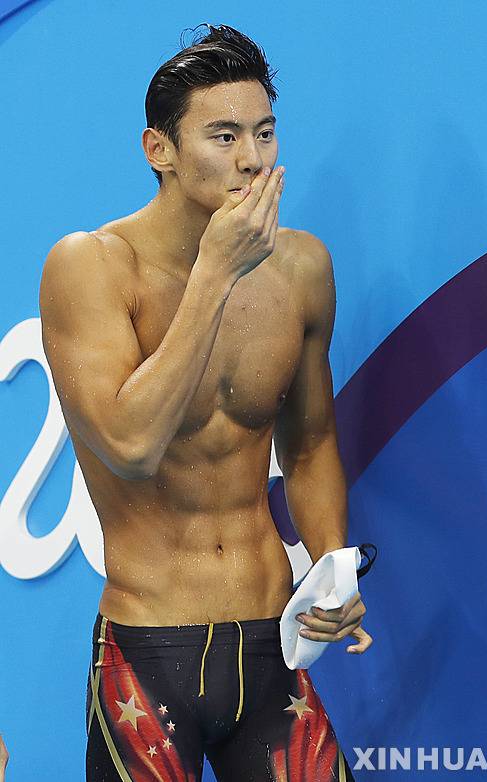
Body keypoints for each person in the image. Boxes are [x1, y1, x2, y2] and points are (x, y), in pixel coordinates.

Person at [39, 23, 372, 782]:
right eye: (224, 136)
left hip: (271, 643)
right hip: (147, 651)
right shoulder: (91, 267)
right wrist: (214, 274)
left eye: (264, 132)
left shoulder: (301, 268)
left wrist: (331, 565)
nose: (252, 158)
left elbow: (311, 443)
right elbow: (130, 445)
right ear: (158, 149)